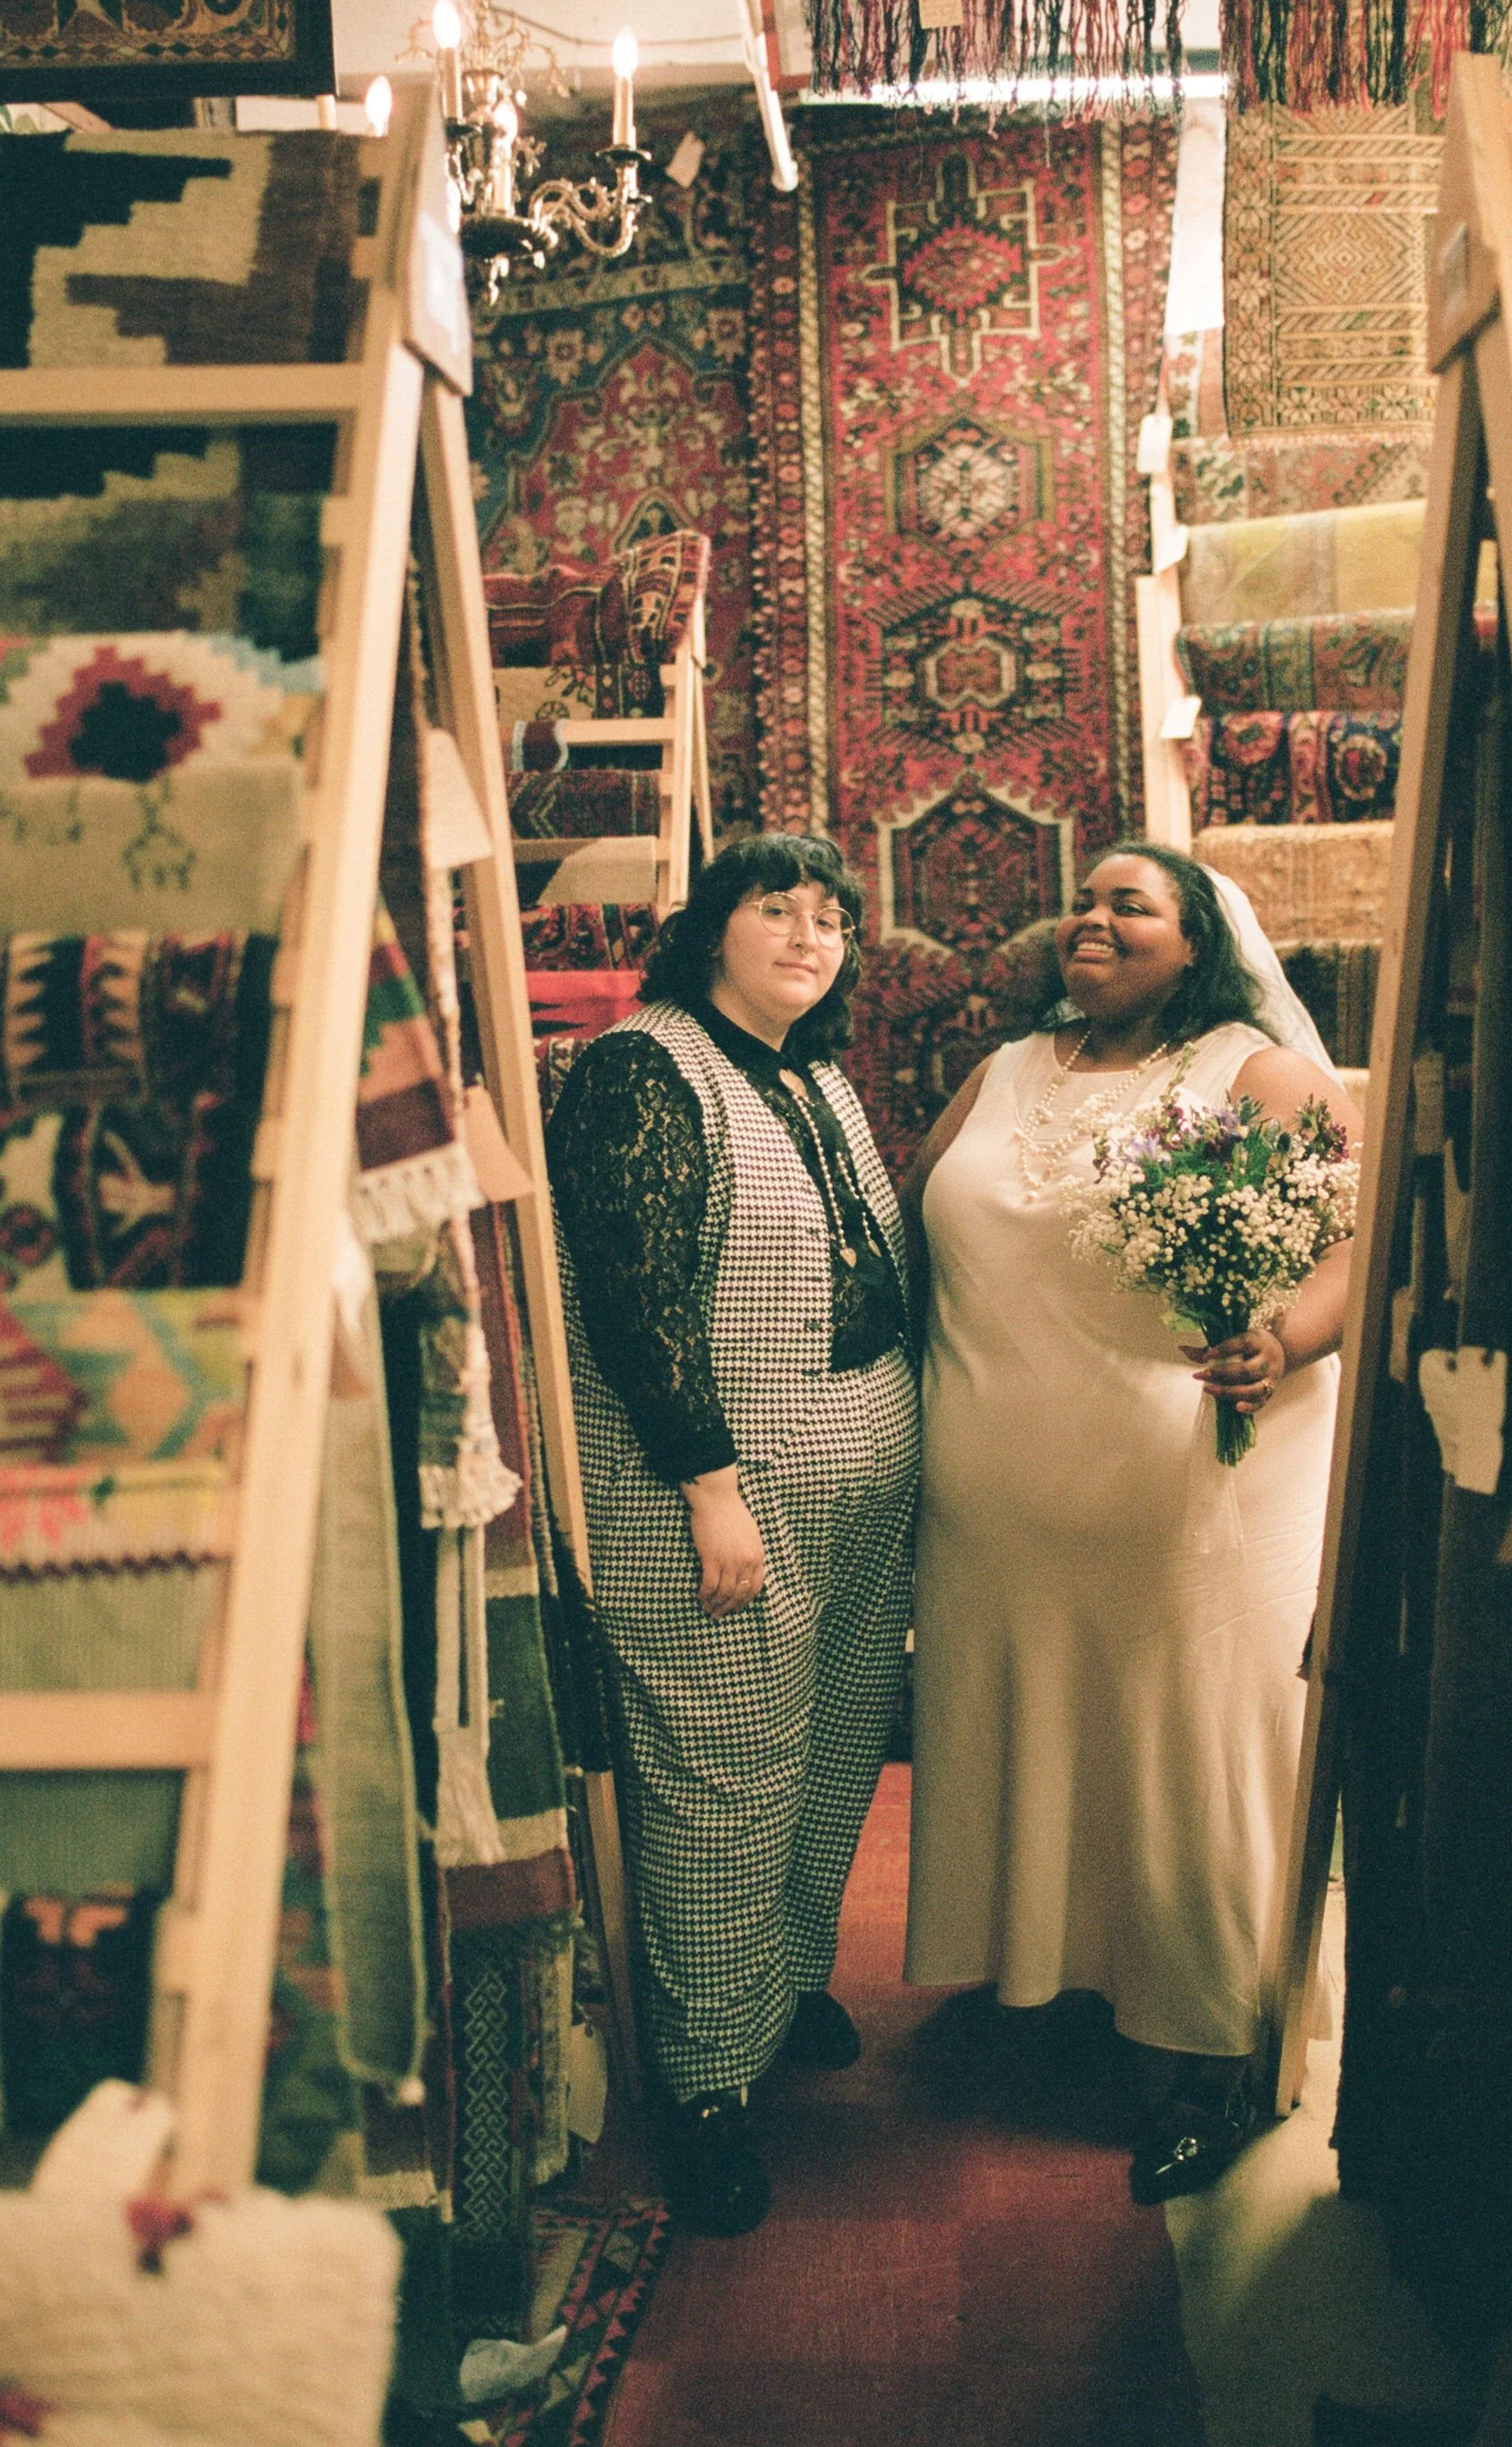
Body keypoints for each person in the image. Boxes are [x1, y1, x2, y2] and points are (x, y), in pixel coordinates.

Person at [903, 841, 1360, 2202]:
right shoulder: (1003, 1071)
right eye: (1086, 902)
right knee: (1035, 1737)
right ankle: (1051, 1981)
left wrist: (1279, 1339)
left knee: (1184, 1756)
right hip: (997, 1502)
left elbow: (1351, 1240)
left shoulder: (1258, 1074)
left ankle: (1214, 2055)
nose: (1092, 921)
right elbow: (911, 1224)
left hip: (1182, 1502)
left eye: (1131, 906)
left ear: (1198, 940)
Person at [549, 834, 918, 2235]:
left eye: (832, 920)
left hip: (857, 1461)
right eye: (778, 910)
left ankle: (775, 1985)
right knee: (722, 1766)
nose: (811, 937)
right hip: (718, 1487)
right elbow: (631, 1294)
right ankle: (704, 2081)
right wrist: (708, 1484)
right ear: (710, 930)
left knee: (831, 1738)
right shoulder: (644, 1068)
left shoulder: (812, 1073)